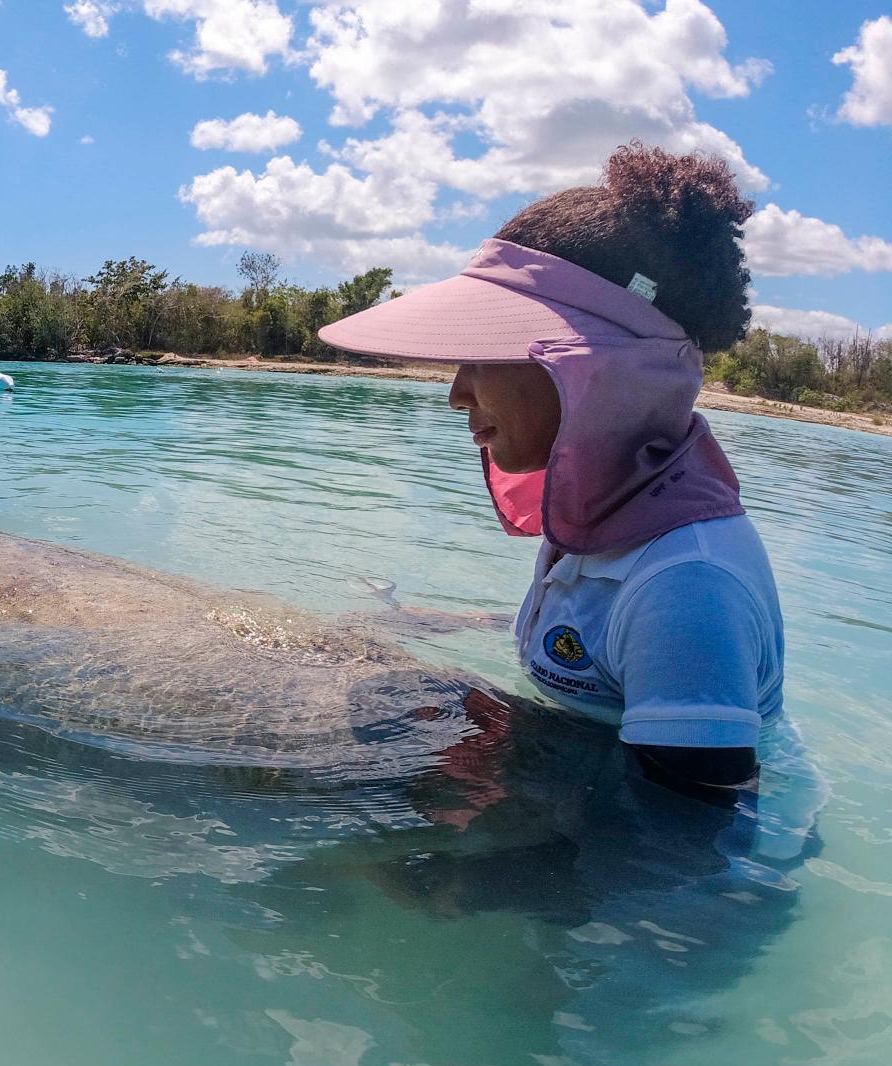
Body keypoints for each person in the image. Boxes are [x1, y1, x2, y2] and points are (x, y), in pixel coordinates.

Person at [317, 144, 783, 803]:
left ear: (597, 371)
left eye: (480, 355)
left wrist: (440, 883)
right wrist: (463, 621)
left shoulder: (686, 585)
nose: (455, 392)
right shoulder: (619, 511)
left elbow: (685, 853)